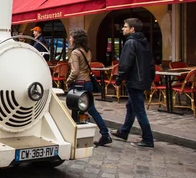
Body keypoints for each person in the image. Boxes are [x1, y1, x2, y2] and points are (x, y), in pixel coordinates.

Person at [111, 18, 155, 148]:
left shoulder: (130, 43)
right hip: (142, 80)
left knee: (139, 110)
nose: (122, 29)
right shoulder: (144, 42)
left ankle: (148, 138)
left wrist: (118, 80)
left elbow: (125, 64)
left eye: (125, 26)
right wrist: (150, 79)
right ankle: (124, 132)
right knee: (131, 107)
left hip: (135, 81)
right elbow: (151, 63)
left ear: (132, 29)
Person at [66, 29, 112, 146]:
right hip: (87, 82)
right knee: (89, 108)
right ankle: (103, 133)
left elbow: (75, 71)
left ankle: (103, 133)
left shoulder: (75, 52)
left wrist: (68, 80)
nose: (69, 39)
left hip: (78, 83)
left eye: (71, 37)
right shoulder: (87, 51)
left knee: (76, 108)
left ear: (76, 39)